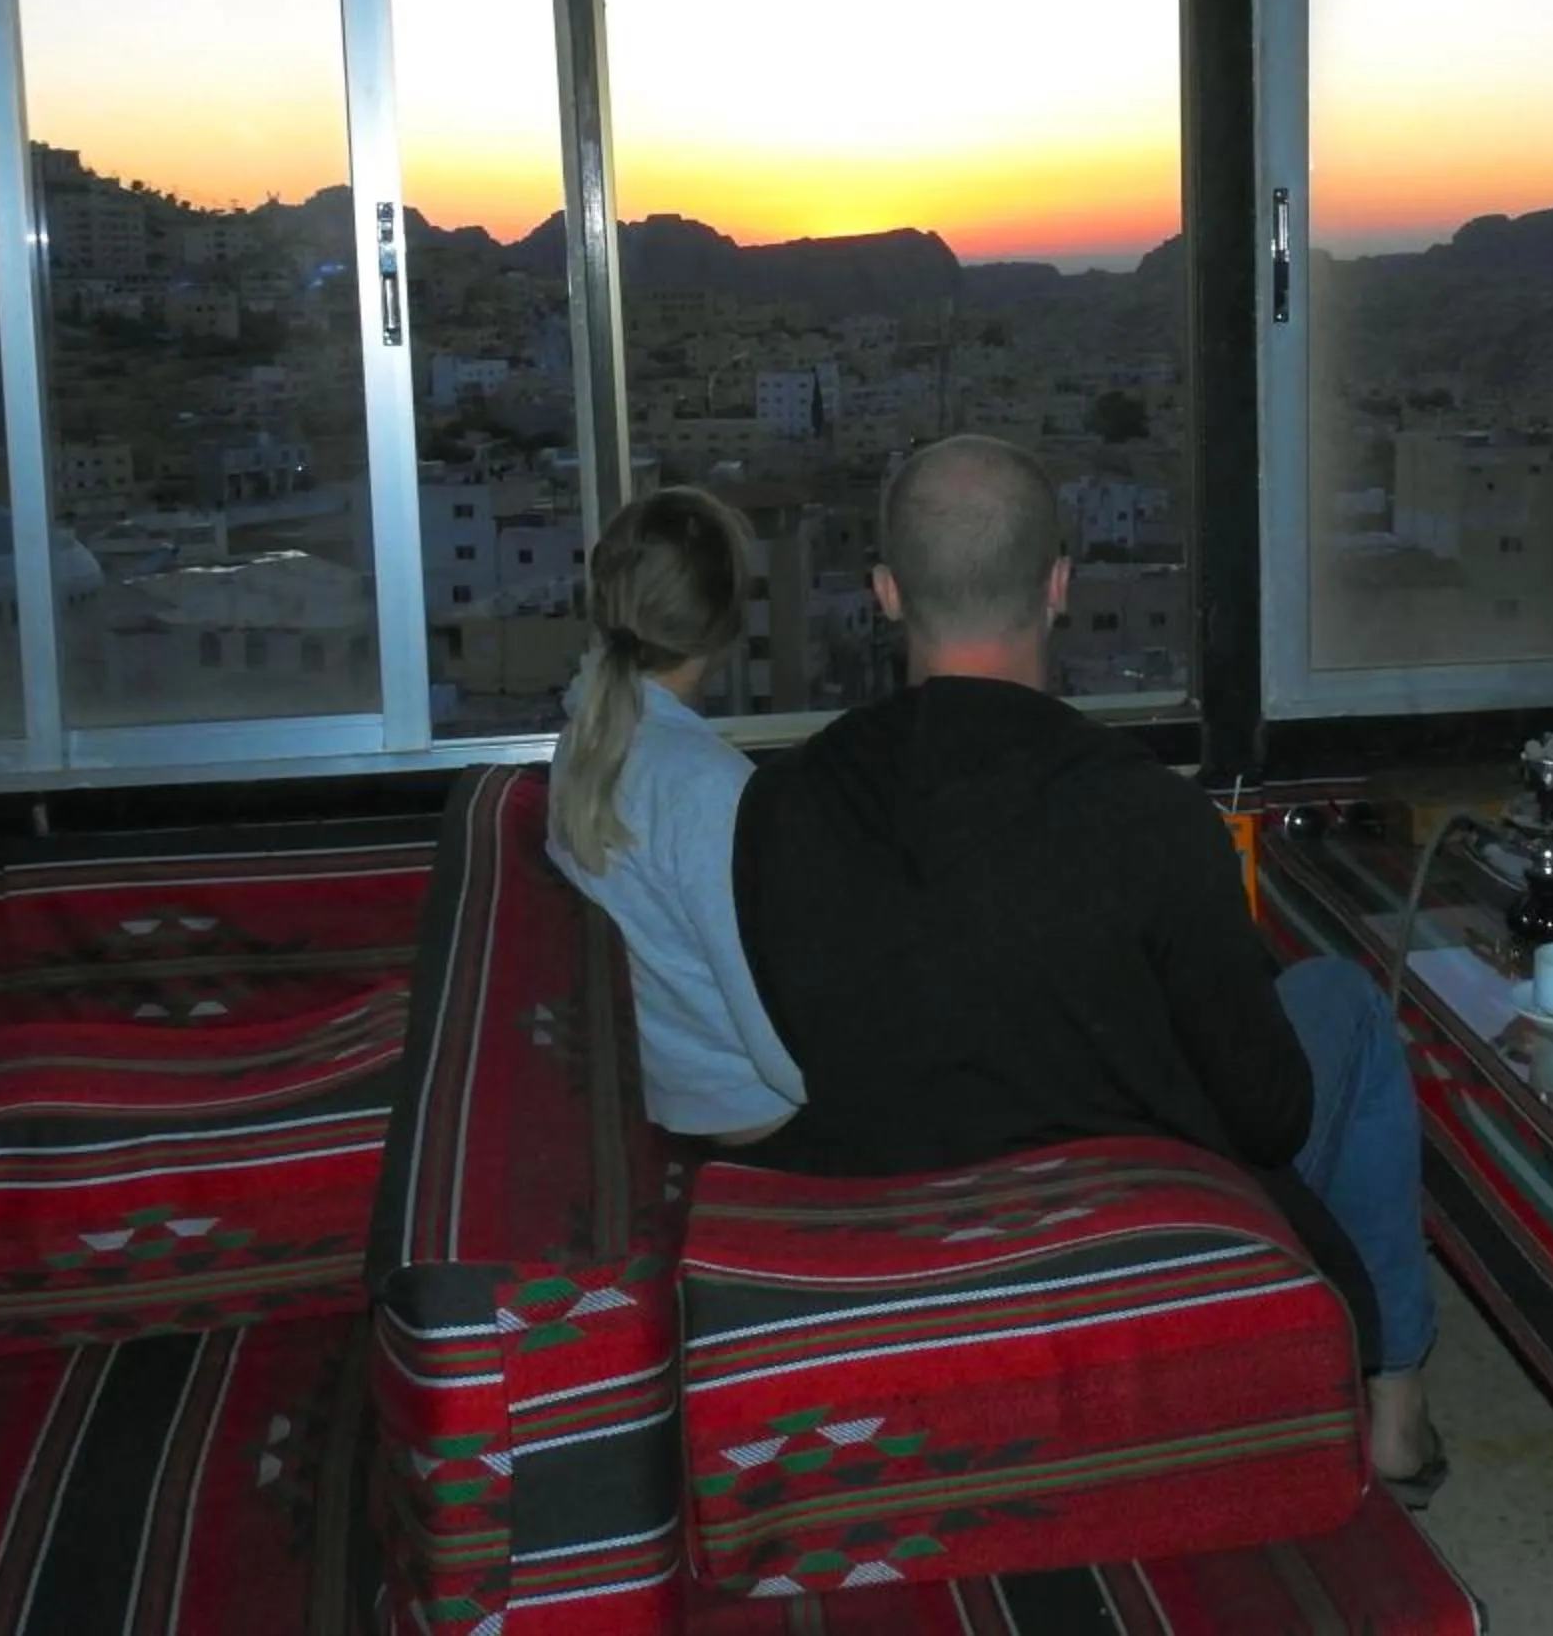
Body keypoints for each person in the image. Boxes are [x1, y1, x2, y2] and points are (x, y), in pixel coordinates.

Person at [732, 434, 1441, 1501]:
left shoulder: (778, 805)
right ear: (1059, 587)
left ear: (886, 594)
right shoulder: (1149, 814)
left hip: (887, 1194)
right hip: (1115, 1216)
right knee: (1343, 1002)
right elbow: (1268, 1117)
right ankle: (1393, 1405)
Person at [549, 485, 805, 1145]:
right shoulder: (707, 786)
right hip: (755, 1115)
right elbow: (770, 1024)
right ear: (727, 626)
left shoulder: (586, 746)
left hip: (671, 1096)